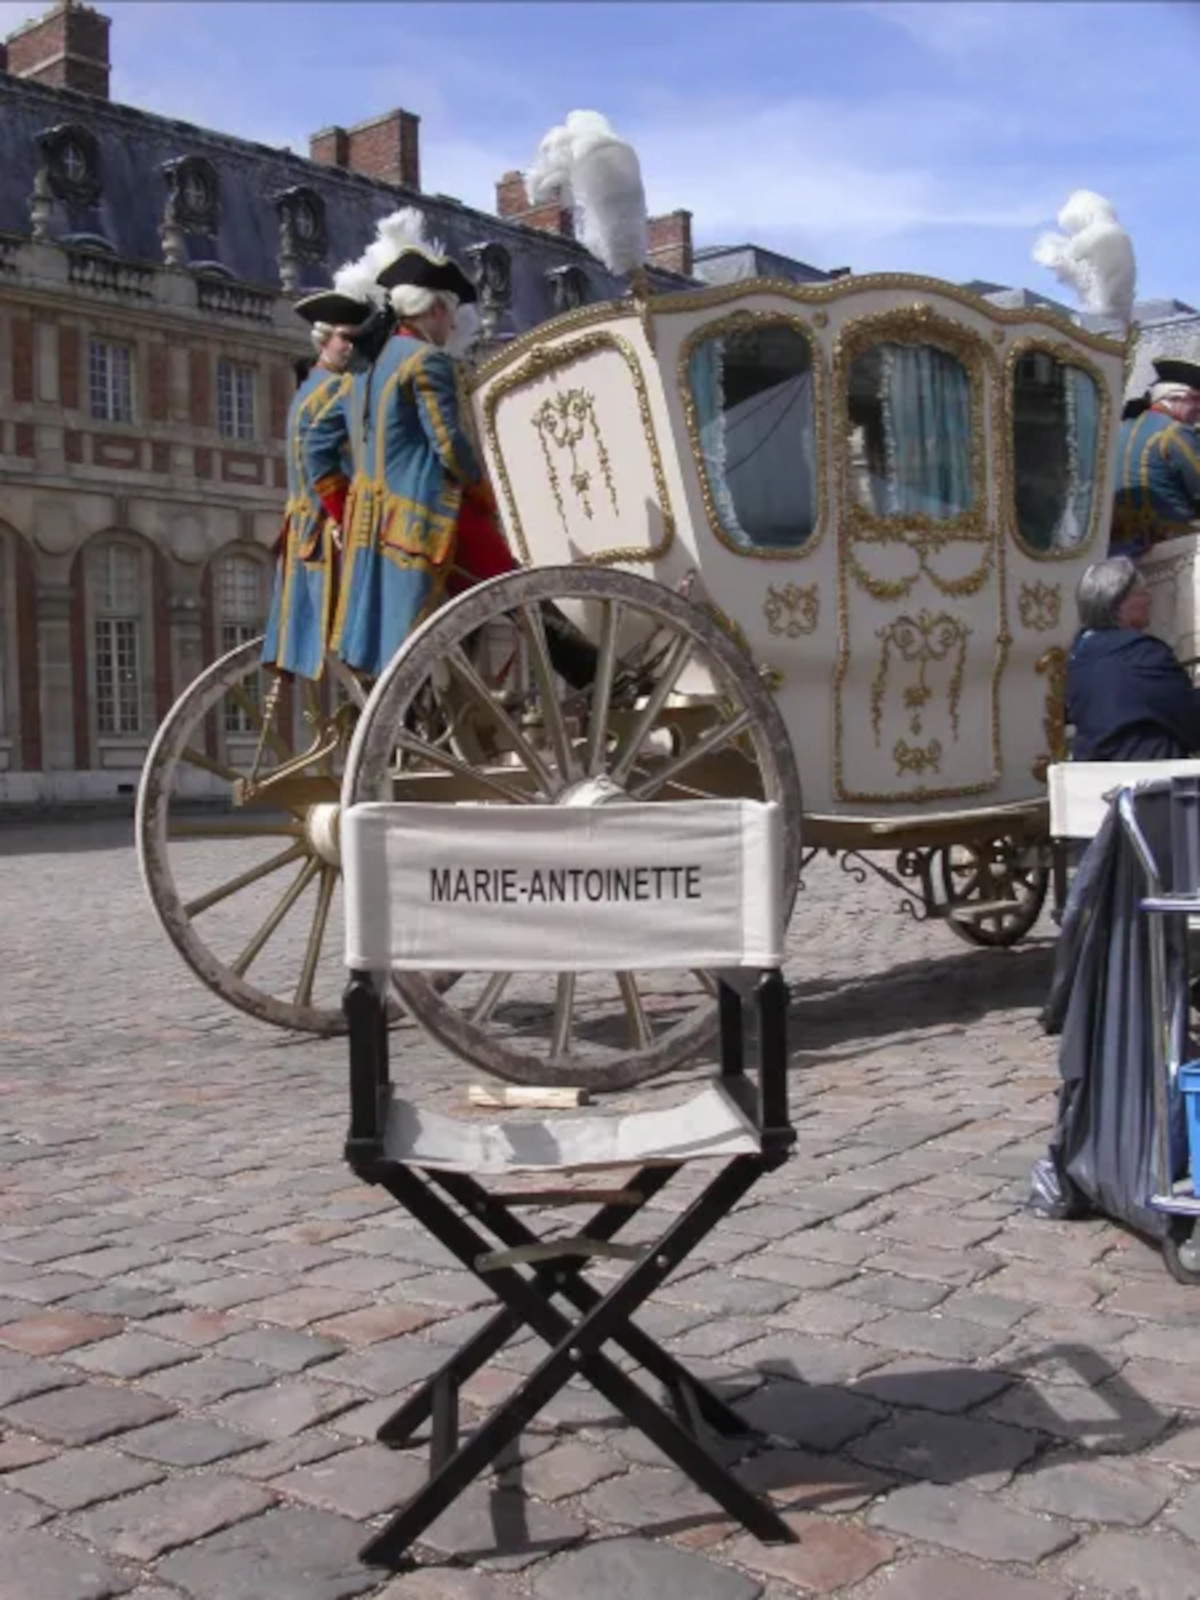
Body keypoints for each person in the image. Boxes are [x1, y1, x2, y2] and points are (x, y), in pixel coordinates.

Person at [323, 229, 596, 686]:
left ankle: (451, 708)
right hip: (431, 515)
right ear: (433, 309)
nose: (451, 327)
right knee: (519, 591)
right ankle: (596, 676)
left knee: (458, 618)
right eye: (450, 314)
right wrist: (485, 493)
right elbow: (449, 444)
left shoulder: (365, 373)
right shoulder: (427, 362)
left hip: (376, 522)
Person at [260, 290, 370, 679]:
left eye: (358, 339)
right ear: (324, 340)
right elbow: (325, 460)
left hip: (303, 528)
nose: (351, 347)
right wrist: (342, 518)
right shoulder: (338, 389)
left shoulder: (308, 387)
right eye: (345, 338)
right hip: (325, 529)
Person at [1066, 556, 1200, 760]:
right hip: (1146, 778)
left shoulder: (1080, 653)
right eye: (1141, 593)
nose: (1149, 599)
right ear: (1117, 603)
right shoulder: (1143, 653)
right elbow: (1192, 721)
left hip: (1092, 772)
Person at [1110, 357, 1200, 555]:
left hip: (1119, 546)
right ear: (1174, 398)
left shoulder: (1121, 429)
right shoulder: (1175, 432)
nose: (1199, 409)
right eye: (1196, 399)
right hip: (1169, 544)